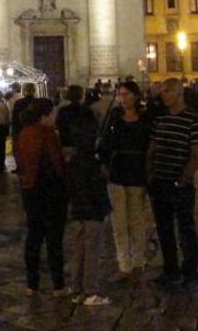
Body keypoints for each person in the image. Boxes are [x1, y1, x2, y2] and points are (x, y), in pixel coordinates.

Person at [146, 78, 198, 291]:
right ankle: (170, 270)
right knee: (164, 230)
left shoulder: (193, 120)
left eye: (167, 91)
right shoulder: (160, 119)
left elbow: (196, 154)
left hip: (179, 185)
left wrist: (183, 179)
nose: (163, 94)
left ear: (179, 93)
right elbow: (152, 148)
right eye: (162, 91)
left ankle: (191, 273)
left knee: (186, 230)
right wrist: (150, 174)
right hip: (159, 182)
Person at [98, 80, 151, 281]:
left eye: (126, 94)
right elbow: (104, 141)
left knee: (137, 219)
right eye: (120, 94)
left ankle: (138, 260)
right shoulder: (114, 116)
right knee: (119, 221)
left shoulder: (146, 117)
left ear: (136, 96)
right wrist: (104, 163)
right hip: (117, 171)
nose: (122, 98)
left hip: (137, 171)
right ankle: (124, 264)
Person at [15, 98, 68, 297]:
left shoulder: (24, 133)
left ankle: (32, 283)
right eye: (53, 113)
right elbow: (56, 164)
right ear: (45, 115)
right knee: (54, 238)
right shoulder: (47, 134)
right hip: (51, 189)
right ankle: (58, 284)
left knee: (34, 235)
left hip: (30, 188)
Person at [65, 122, 111, 307]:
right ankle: (91, 291)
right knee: (92, 252)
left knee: (78, 251)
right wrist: (104, 208)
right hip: (93, 212)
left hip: (77, 211)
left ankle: (76, 288)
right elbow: (98, 189)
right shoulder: (93, 164)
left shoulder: (72, 162)